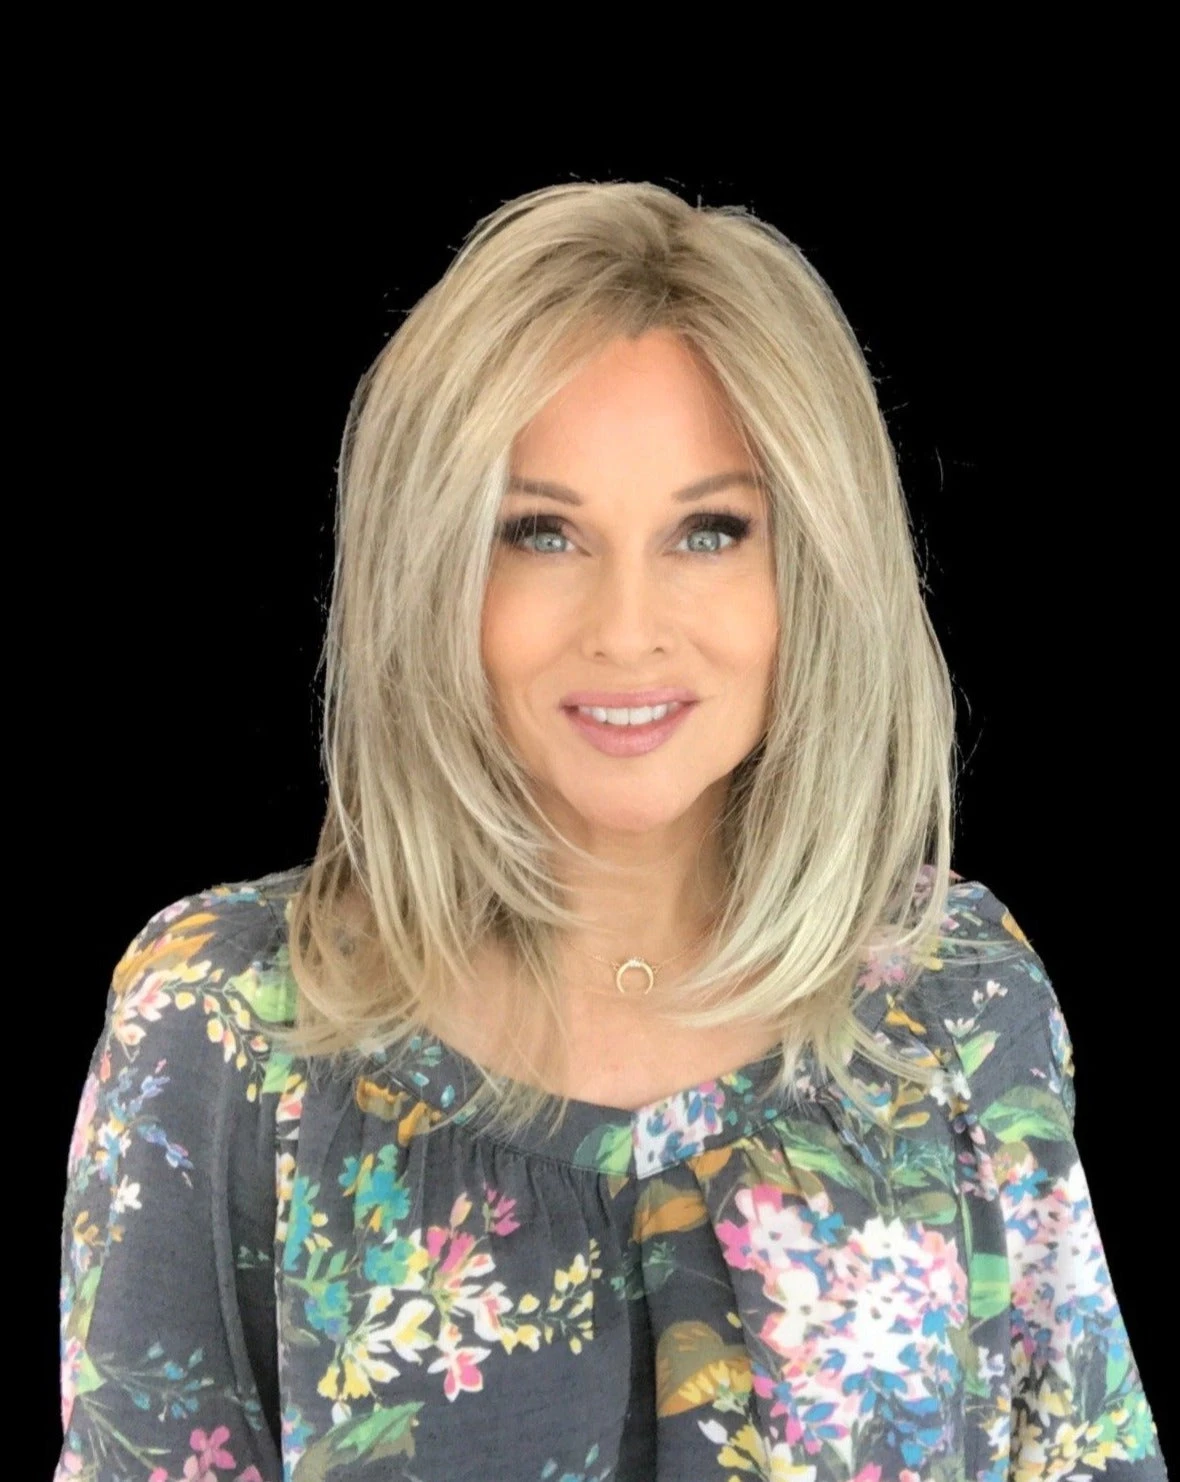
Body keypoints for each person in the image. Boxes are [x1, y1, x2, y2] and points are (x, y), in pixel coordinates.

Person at [57, 182, 1165, 1481]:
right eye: (543, 533)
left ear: (811, 565)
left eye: (709, 531)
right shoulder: (228, 1023)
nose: (628, 629)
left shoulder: (953, 1000)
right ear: (433, 564)